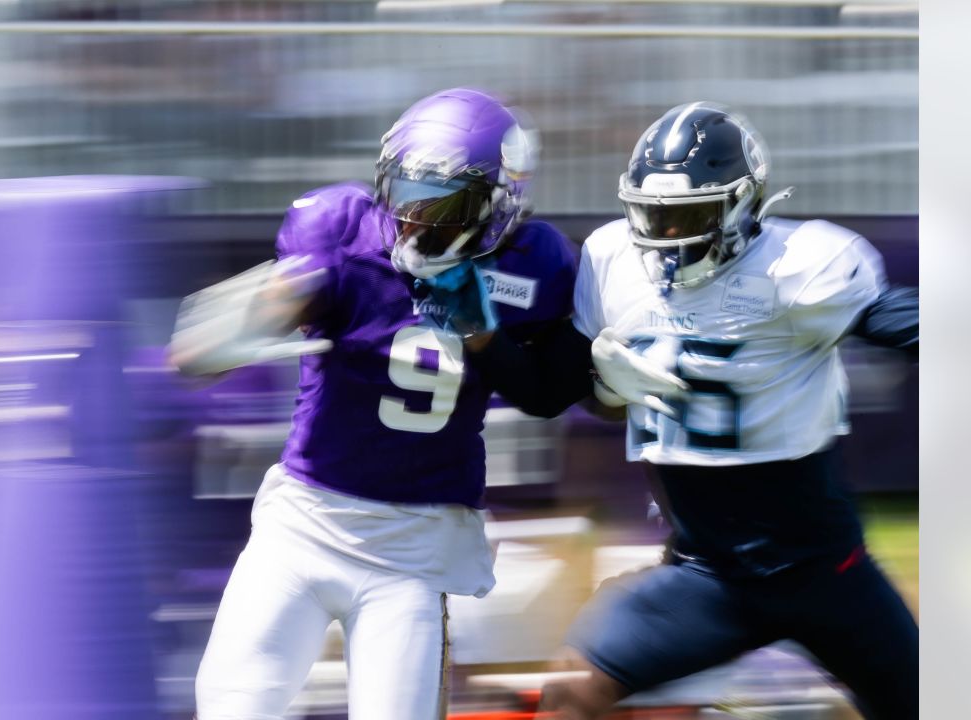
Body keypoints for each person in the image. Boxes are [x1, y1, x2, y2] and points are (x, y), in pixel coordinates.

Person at [465, 101, 918, 719]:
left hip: (823, 573)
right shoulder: (613, 262)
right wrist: (500, 340)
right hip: (704, 575)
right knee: (571, 694)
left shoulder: (798, 268)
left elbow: (903, 322)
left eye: (690, 216)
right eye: (654, 215)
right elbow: (549, 394)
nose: (668, 236)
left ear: (744, 204)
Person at [169, 88, 578, 720]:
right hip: (303, 527)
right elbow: (197, 357)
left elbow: (548, 395)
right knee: (232, 707)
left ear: (500, 206)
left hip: (411, 554)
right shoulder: (340, 232)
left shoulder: (533, 263)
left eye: (446, 204)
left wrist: (485, 336)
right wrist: (258, 314)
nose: (416, 219)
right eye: (407, 194)